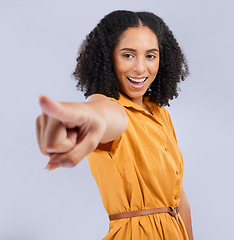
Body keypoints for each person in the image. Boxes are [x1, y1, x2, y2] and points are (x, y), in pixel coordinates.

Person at [36, 10, 194, 240]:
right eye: (128, 55)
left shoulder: (161, 115)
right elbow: (101, 115)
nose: (140, 68)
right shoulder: (110, 107)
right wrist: (75, 120)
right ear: (108, 58)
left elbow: (181, 203)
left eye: (150, 56)